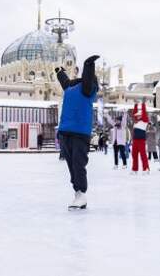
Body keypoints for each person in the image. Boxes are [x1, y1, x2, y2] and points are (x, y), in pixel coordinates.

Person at [55, 55, 100, 210]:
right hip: (65, 131)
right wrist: (59, 72)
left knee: (78, 164)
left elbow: (87, 79)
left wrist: (89, 65)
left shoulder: (87, 88)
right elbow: (65, 81)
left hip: (80, 132)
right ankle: (78, 193)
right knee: (71, 165)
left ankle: (81, 193)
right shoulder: (70, 87)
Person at [130, 102, 150, 175]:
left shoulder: (145, 121)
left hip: (141, 141)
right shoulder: (136, 122)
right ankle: (135, 169)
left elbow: (144, 113)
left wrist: (143, 105)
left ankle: (146, 168)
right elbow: (134, 114)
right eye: (137, 115)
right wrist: (135, 105)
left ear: (141, 115)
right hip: (135, 140)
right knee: (134, 155)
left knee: (143, 155)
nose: (137, 116)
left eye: (139, 115)